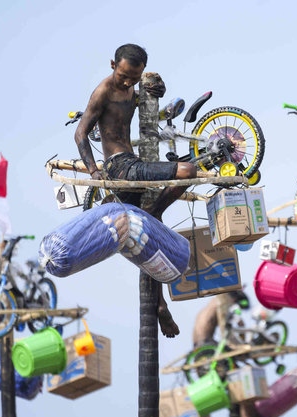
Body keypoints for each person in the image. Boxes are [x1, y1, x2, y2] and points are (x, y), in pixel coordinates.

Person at [74, 43, 197, 337]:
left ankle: (160, 305)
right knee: (189, 171)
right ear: (112, 64)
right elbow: (80, 133)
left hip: (133, 162)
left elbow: (147, 104)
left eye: (134, 77)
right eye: (123, 75)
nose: (127, 82)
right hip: (119, 166)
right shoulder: (103, 91)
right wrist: (94, 171)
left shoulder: (131, 89)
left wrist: (155, 93)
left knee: (149, 237)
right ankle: (154, 210)